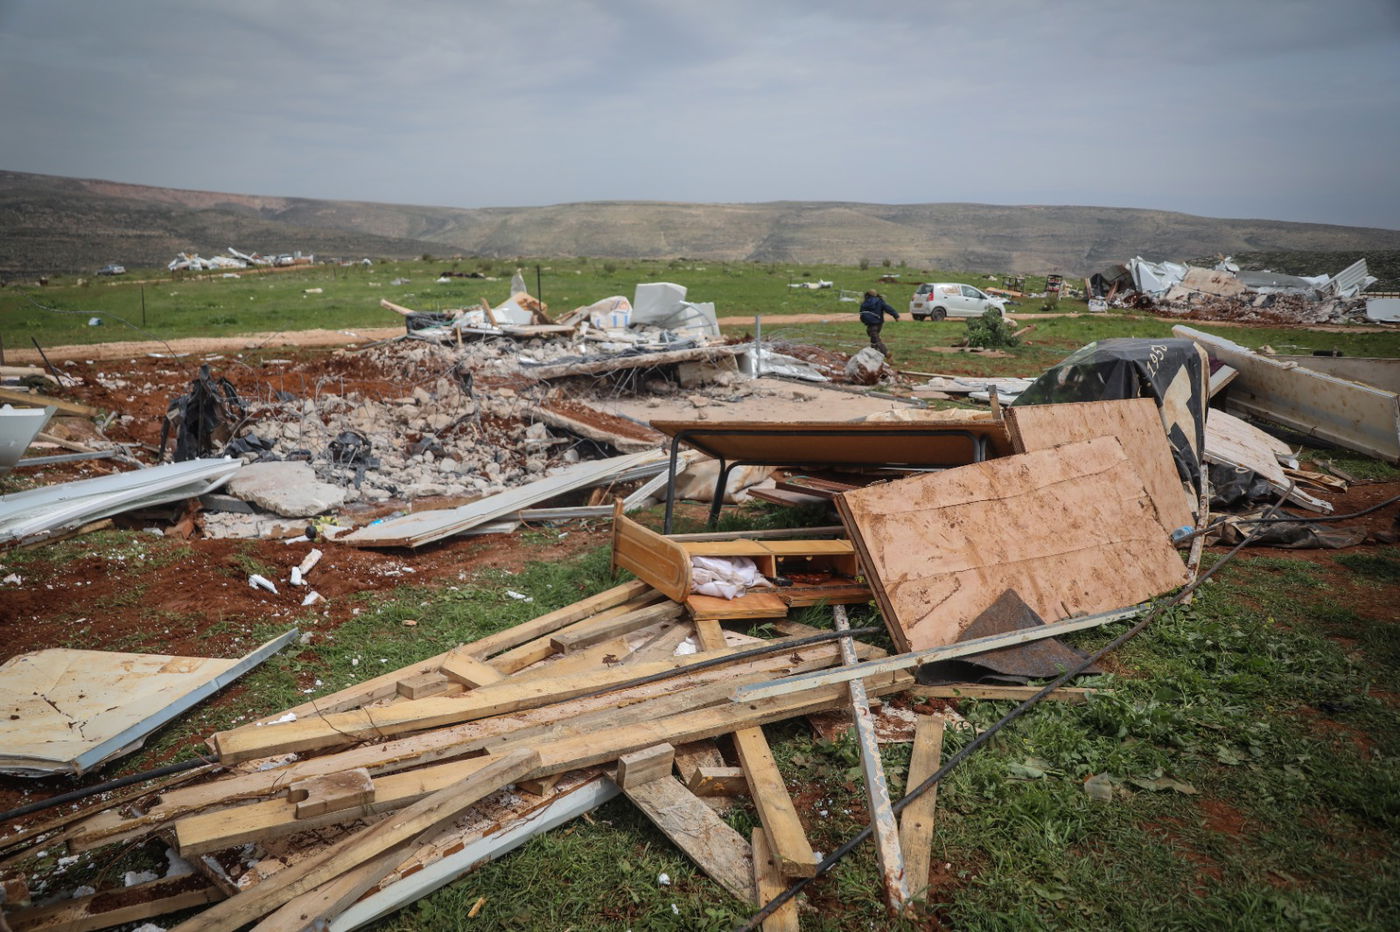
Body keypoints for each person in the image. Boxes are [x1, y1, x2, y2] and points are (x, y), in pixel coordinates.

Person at [859, 289, 900, 357]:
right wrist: (896, 316)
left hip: (870, 324)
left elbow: (861, 314)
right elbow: (888, 308)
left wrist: (864, 321)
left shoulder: (864, 303)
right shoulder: (880, 301)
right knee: (873, 338)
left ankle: (885, 352)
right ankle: (873, 353)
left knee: (875, 338)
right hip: (879, 324)